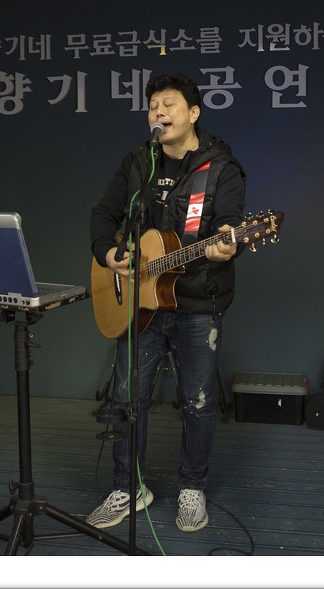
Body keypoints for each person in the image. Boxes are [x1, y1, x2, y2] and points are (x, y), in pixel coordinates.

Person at [87, 72, 247, 533]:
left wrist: (227, 243)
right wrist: (108, 253)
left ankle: (192, 488)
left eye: (169, 104)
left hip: (197, 303)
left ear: (193, 113)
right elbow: (104, 214)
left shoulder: (221, 168)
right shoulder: (139, 162)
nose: (158, 111)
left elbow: (229, 225)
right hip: (139, 307)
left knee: (197, 402)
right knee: (126, 398)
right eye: (153, 105)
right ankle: (127, 487)